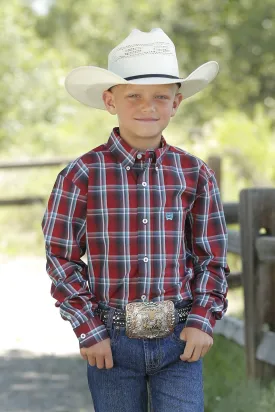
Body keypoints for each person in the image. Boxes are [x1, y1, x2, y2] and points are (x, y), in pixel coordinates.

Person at [41, 28, 230, 412]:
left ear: (176, 102)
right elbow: (60, 257)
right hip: (111, 340)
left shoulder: (195, 174)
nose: (149, 106)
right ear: (111, 101)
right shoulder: (81, 175)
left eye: (161, 96)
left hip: (180, 339)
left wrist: (202, 318)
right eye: (134, 96)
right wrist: (89, 328)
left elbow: (212, 257)